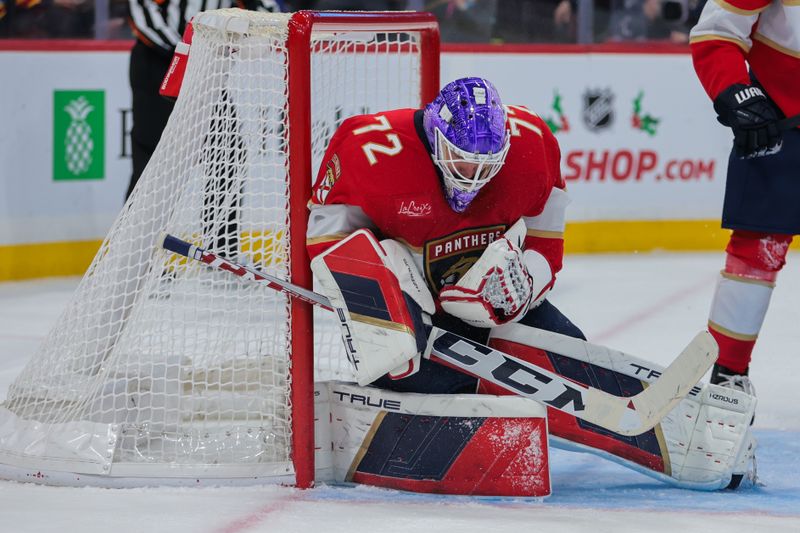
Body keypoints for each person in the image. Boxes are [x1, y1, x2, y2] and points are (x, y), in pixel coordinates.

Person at [306, 77, 757, 491]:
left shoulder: (533, 145)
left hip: (486, 303)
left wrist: (524, 283)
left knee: (571, 355)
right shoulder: (369, 149)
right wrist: (384, 303)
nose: (474, 174)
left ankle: (708, 440)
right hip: (412, 314)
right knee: (426, 378)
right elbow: (326, 242)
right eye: (462, 159)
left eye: (487, 163)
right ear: (434, 140)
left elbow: (547, 248)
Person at [690, 0, 798, 394]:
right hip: (784, 121)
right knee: (758, 248)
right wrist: (735, 90)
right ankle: (727, 378)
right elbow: (716, 33)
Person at [125, 0, 284, 200]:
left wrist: (253, 36)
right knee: (154, 152)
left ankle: (219, 231)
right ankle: (140, 229)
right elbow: (147, 18)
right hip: (161, 64)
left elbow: (268, 12)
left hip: (209, 67)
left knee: (228, 152)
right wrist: (191, 52)